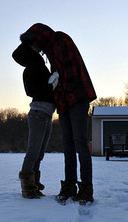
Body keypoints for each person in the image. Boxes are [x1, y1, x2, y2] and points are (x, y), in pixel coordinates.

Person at [20, 23, 97, 204]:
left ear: (38, 37)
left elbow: (71, 72)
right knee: (67, 145)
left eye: (34, 43)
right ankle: (69, 186)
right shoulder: (48, 51)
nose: (36, 49)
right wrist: (59, 96)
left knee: (80, 142)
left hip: (76, 97)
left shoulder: (59, 39)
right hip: (63, 101)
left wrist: (62, 93)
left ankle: (86, 188)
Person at [12, 41, 56, 199]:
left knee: (39, 153)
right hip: (38, 113)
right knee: (33, 152)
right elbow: (31, 91)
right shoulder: (31, 68)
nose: (39, 48)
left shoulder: (40, 65)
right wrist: (50, 85)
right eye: (34, 46)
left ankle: (34, 184)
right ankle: (27, 187)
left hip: (47, 113)